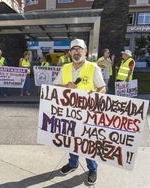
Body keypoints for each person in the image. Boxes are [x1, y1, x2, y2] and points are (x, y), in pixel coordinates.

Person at [53, 39, 106, 185]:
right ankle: (73, 163)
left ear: (85, 51)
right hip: (69, 113)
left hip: (88, 113)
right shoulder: (65, 68)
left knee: (87, 142)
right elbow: (55, 87)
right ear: (70, 52)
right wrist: (66, 87)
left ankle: (92, 168)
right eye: (74, 49)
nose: (77, 52)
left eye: (80, 49)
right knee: (72, 140)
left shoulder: (93, 67)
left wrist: (95, 96)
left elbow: (102, 88)